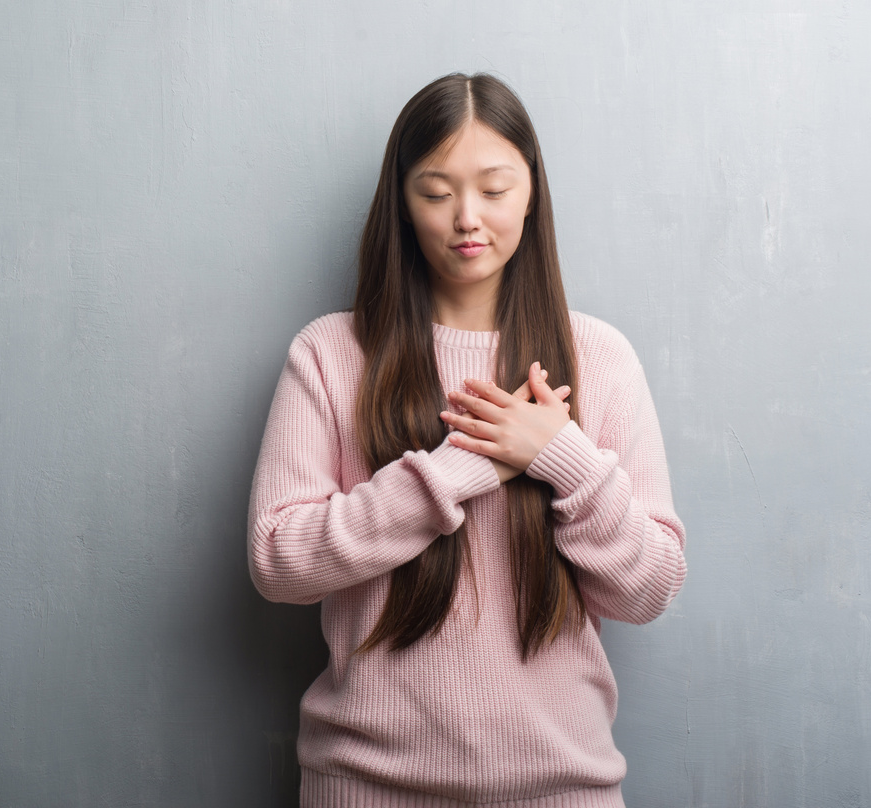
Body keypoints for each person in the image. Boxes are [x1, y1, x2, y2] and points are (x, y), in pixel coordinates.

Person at [246, 72, 687, 808]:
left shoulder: (600, 358)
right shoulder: (329, 352)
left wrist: (565, 461)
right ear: (402, 201)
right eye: (436, 191)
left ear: (533, 191)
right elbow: (276, 560)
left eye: (494, 187)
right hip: (365, 788)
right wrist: (447, 476)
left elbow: (651, 589)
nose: (467, 218)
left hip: (564, 789)